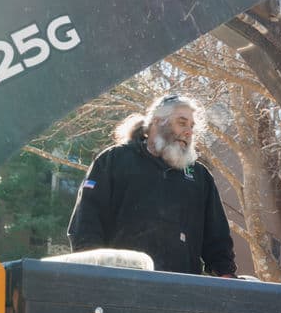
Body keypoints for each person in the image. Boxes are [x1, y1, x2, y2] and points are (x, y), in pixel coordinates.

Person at [67, 94, 237, 277]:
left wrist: (227, 278)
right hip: (121, 286)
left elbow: (218, 242)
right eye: (182, 122)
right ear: (157, 120)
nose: (189, 131)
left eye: (191, 126)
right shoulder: (114, 160)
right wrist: (92, 276)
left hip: (181, 292)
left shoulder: (199, 176)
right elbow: (86, 225)